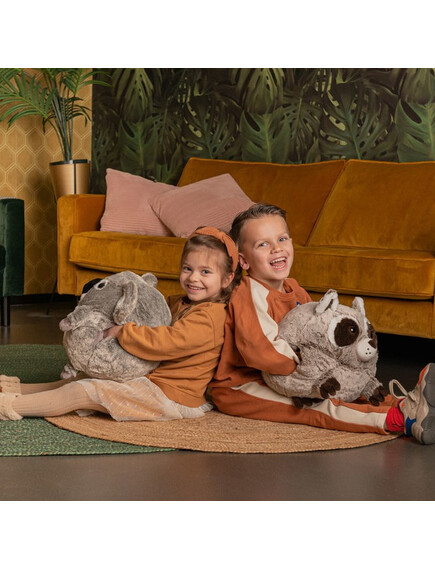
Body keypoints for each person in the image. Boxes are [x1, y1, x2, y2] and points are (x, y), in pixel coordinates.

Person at [210, 202, 435, 444]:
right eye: (263, 244)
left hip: (293, 375)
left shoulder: (295, 289)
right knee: (315, 406)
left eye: (282, 239)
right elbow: (260, 350)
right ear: (244, 261)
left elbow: (319, 335)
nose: (276, 248)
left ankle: (403, 403)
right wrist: (308, 372)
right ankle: (400, 419)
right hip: (243, 385)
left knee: (340, 388)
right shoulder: (247, 292)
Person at [0, 227, 240, 422]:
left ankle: (10, 407)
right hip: (152, 381)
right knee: (83, 378)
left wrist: (123, 331)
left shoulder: (212, 316)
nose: (193, 277)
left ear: (227, 279)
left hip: (169, 397)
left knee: (82, 392)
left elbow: (168, 342)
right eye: (188, 268)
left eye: (205, 272)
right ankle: (17, 389)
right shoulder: (181, 302)